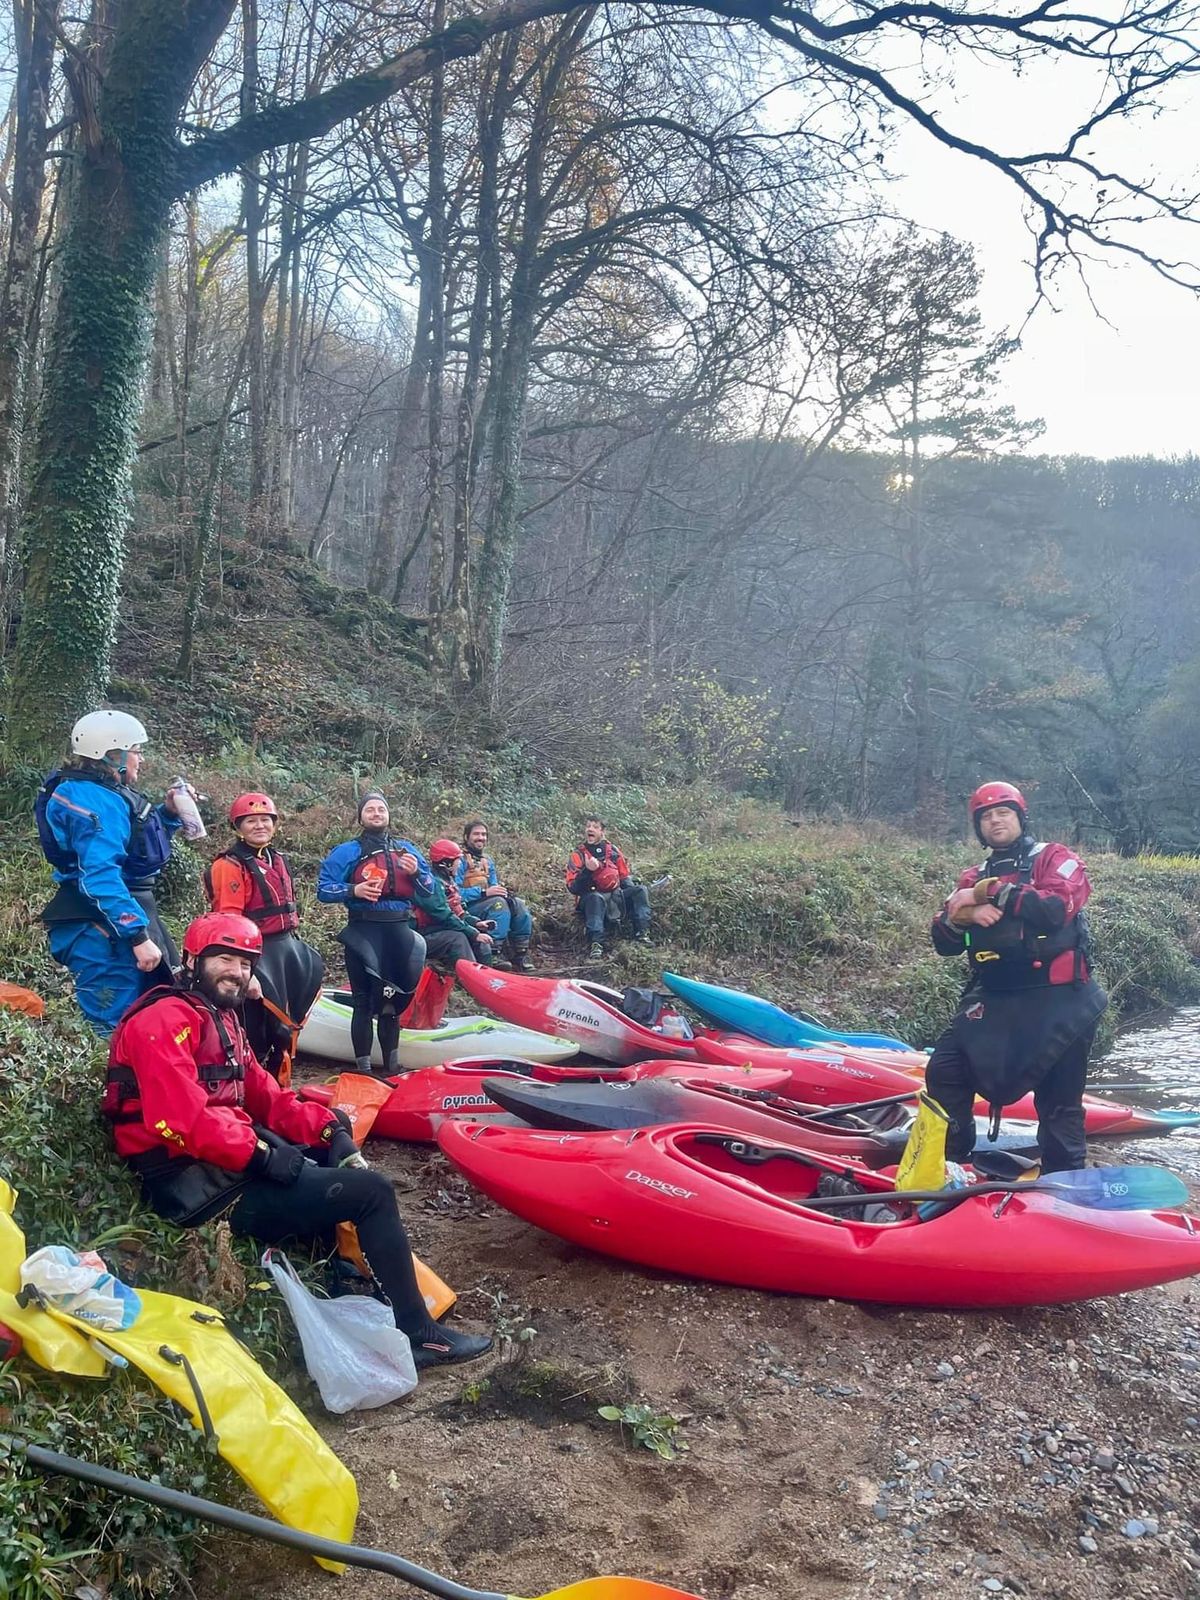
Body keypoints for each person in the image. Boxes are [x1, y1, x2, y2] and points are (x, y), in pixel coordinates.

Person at [103, 912, 490, 1369]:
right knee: (373, 1193)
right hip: (189, 1186)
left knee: (326, 1154)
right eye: (224, 958)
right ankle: (421, 1335)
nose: (236, 971)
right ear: (192, 959)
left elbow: (269, 1098)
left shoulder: (221, 1020)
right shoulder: (164, 1020)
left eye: (245, 963)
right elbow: (182, 1121)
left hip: (225, 1164)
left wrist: (332, 1130)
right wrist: (263, 1157)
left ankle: (340, 1274)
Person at [927, 781, 1107, 1173]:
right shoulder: (971, 876)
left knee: (1059, 1100)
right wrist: (964, 915)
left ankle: (1065, 1181)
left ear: (1020, 818)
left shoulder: (1054, 858)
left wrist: (988, 894)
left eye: (1003, 813)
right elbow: (945, 941)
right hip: (997, 995)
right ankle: (953, 1164)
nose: (995, 821)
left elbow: (1056, 908)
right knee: (945, 1069)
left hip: (1060, 997)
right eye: (986, 817)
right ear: (979, 829)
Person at [36, 709, 197, 1036]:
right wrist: (137, 936)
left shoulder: (102, 791)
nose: (140, 759)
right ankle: (103, 1085)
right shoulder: (94, 800)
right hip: (100, 928)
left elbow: (135, 852)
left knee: (149, 1011)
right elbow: (100, 877)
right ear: (113, 755)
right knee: (113, 1026)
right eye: (135, 751)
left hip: (125, 914)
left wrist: (167, 814)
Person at [203, 792, 324, 1084]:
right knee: (256, 1028)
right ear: (238, 827)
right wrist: (245, 969)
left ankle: (277, 1085)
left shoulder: (277, 858)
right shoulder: (230, 864)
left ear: (274, 825)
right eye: (251, 821)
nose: (259, 826)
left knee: (285, 1029)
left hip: (285, 948)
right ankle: (250, 1086)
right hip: (255, 952)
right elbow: (230, 922)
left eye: (265, 820)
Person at [317, 792, 430, 1075]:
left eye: (381, 809)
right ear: (361, 817)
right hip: (363, 930)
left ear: (388, 815)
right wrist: (352, 890)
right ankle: (364, 1069)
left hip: (399, 932)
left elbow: (430, 890)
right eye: (370, 810)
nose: (377, 813)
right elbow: (323, 889)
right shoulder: (347, 852)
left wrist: (417, 874)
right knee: (363, 1002)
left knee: (393, 1003)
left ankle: (392, 1066)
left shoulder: (407, 851)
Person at [564, 815, 651, 960]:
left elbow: (624, 876)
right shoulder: (578, 854)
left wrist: (628, 894)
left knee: (641, 890)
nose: (590, 829)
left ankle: (642, 934)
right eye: (588, 826)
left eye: (595, 827)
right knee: (596, 899)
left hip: (615, 894)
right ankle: (596, 944)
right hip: (590, 897)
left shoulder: (613, 850)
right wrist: (588, 871)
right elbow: (573, 887)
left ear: (602, 832)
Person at [457, 819, 534, 971]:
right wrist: (483, 892)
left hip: (485, 902)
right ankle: (494, 952)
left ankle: (521, 952)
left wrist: (502, 892)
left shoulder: (488, 860)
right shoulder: (458, 860)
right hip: (466, 907)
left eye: (484, 834)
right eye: (476, 834)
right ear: (467, 837)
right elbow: (454, 892)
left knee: (518, 903)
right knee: (498, 904)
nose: (481, 838)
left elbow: (493, 885)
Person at [415, 840, 495, 969]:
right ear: (446, 863)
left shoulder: (448, 880)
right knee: (458, 938)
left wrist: (475, 923)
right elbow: (445, 916)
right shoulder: (431, 883)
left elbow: (459, 910)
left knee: (476, 934)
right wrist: (473, 933)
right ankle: (470, 978)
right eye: (457, 860)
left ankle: (488, 973)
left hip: (439, 929)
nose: (460, 863)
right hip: (423, 935)